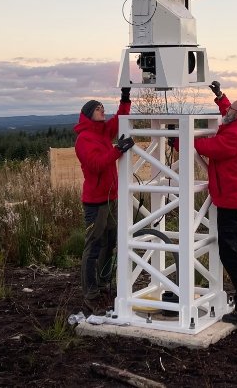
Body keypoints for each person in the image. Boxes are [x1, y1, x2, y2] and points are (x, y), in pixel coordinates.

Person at [174, 80, 237, 323]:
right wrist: (221, 97)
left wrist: (180, 141)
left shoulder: (234, 136)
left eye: (231, 110)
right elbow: (230, 115)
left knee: (231, 254)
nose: (227, 112)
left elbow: (207, 146)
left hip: (232, 202)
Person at [73, 87, 134, 313]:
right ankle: (90, 293)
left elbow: (119, 121)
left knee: (110, 243)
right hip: (95, 203)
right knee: (93, 247)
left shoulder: (101, 133)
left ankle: (103, 284)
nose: (102, 110)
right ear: (88, 114)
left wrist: (125, 99)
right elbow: (97, 164)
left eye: (102, 108)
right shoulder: (84, 139)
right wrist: (117, 150)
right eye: (98, 109)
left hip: (110, 199)